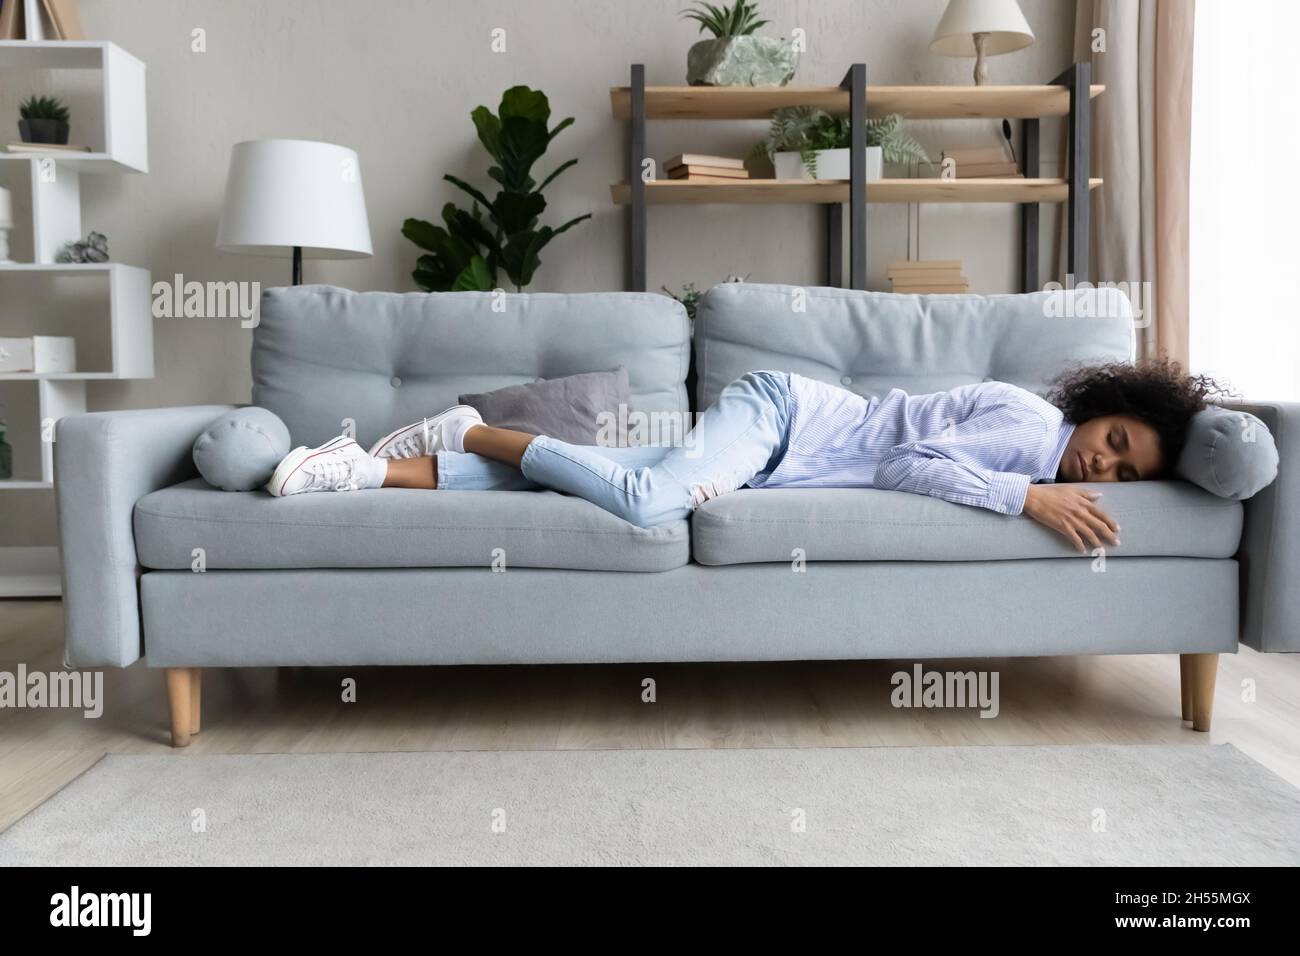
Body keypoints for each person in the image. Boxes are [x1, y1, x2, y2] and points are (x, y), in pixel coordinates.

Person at [266, 359, 1225, 553]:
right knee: (646, 502)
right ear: (1097, 414)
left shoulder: (1046, 451)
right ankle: (467, 429)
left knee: (607, 495)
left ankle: (357, 470)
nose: (1103, 472)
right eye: (1113, 444)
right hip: (783, 416)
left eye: (1126, 475)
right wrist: (1029, 500)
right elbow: (904, 468)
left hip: (781, 451)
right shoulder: (1029, 432)